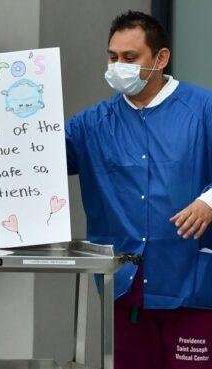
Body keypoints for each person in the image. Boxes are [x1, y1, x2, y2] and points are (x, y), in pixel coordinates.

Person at [66, 10, 212, 369]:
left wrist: (210, 201)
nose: (119, 66)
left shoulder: (203, 109)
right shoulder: (92, 124)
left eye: (130, 58)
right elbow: (36, 163)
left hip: (192, 284)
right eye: (113, 58)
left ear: (160, 58)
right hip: (125, 289)